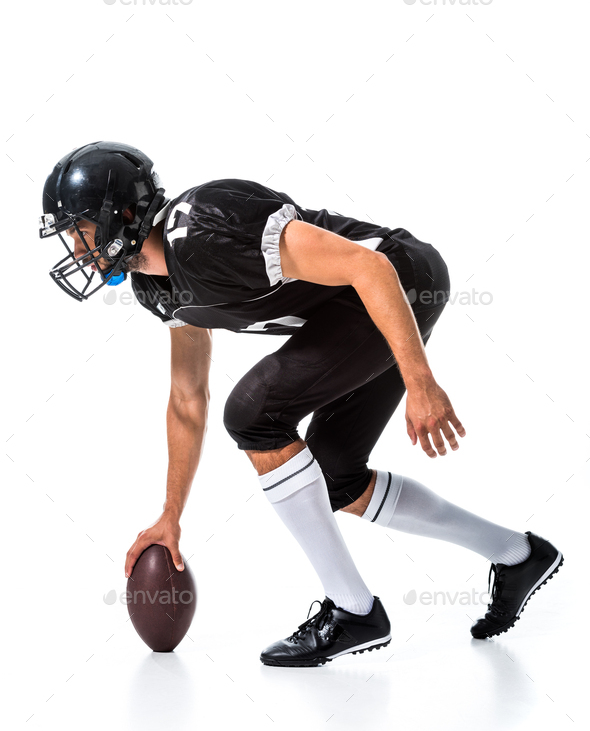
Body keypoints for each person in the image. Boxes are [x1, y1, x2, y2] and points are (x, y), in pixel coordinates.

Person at [39, 141, 563, 667]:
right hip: (355, 308)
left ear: (123, 215)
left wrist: (420, 379)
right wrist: (170, 517)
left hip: (399, 280)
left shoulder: (203, 229)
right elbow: (186, 397)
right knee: (338, 477)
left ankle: (354, 612)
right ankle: (518, 555)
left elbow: (369, 266)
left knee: (252, 413)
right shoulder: (154, 286)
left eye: (78, 228)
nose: (73, 245)